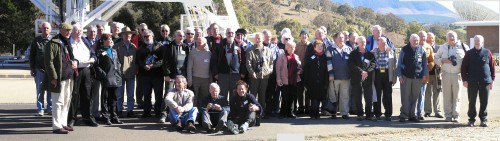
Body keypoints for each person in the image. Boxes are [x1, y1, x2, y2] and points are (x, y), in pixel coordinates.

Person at [44, 23, 77, 134]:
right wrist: (53, 77)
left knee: (66, 101)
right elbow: (49, 62)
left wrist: (75, 62)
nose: (68, 32)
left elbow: (71, 57)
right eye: (66, 30)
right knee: (58, 102)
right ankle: (56, 126)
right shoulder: (52, 43)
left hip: (69, 76)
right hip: (59, 78)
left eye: (70, 30)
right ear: (60, 30)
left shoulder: (67, 42)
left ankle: (63, 123)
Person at [67, 23, 98, 127]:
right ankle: (71, 119)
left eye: (80, 30)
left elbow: (93, 53)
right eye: (76, 30)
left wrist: (93, 59)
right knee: (74, 95)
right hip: (75, 71)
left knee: (87, 95)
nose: (79, 32)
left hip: (86, 70)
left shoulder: (85, 41)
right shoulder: (68, 42)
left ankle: (87, 117)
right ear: (72, 31)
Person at [434, 31, 468, 122]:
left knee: (457, 97)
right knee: (447, 96)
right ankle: (448, 116)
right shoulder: (443, 47)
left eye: (453, 36)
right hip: (446, 74)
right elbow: (436, 58)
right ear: (447, 38)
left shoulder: (464, 47)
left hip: (458, 75)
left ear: (456, 37)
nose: (451, 38)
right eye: (450, 37)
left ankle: (456, 115)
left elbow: (469, 60)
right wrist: (443, 60)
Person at [462, 35, 495, 127]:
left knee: (484, 101)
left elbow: (492, 67)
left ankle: (483, 119)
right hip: (472, 81)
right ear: (474, 42)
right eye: (475, 40)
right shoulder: (469, 53)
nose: (477, 42)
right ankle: (471, 120)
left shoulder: (487, 52)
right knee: (472, 101)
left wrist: (492, 79)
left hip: (485, 81)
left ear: (482, 42)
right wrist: (464, 80)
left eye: (479, 40)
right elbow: (464, 67)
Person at [396, 34, 428, 122]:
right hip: (405, 77)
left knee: (415, 97)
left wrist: (425, 74)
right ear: (409, 40)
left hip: (418, 77)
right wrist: (400, 75)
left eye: (417, 40)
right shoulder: (404, 50)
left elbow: (424, 64)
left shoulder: (422, 49)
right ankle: (403, 114)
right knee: (405, 97)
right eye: (414, 40)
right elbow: (399, 64)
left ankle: (412, 115)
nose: (416, 42)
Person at [94, 33, 124, 125]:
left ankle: (114, 116)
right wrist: (103, 75)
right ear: (103, 42)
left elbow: (118, 63)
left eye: (111, 39)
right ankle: (106, 117)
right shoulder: (100, 52)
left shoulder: (114, 51)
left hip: (116, 78)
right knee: (105, 99)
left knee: (114, 99)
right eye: (108, 40)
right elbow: (97, 65)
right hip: (106, 79)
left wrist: (119, 72)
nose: (110, 41)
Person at [210, 27, 247, 98]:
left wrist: (243, 72)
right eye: (228, 33)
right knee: (222, 96)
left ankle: (233, 109)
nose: (230, 34)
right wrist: (215, 73)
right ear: (226, 34)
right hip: (223, 75)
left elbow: (244, 60)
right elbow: (213, 61)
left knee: (234, 96)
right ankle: (223, 109)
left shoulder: (240, 46)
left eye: (232, 33)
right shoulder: (220, 46)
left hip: (236, 75)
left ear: (235, 34)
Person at [136, 29, 164, 118]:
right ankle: (146, 112)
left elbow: (163, 60)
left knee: (158, 94)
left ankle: (157, 111)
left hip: (157, 74)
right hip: (145, 75)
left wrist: (154, 65)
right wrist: (144, 66)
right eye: (144, 36)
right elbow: (138, 60)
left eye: (148, 35)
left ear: (152, 35)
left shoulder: (160, 46)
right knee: (146, 94)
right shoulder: (140, 48)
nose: (147, 37)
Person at [246, 33, 273, 119]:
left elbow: (271, 64)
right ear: (255, 39)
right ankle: (252, 114)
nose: (258, 40)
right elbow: (248, 64)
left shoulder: (268, 50)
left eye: (260, 38)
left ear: (263, 39)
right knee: (253, 96)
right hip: (254, 77)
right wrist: (252, 72)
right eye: (257, 38)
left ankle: (261, 113)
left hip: (264, 77)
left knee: (262, 96)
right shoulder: (250, 50)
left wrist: (268, 72)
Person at [348, 36, 375, 121]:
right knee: (358, 97)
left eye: (364, 41)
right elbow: (352, 65)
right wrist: (361, 72)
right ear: (357, 43)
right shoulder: (353, 54)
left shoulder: (370, 54)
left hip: (367, 78)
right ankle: (360, 114)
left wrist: (366, 72)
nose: (363, 43)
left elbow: (373, 65)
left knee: (368, 98)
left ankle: (368, 114)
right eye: (361, 41)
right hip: (356, 78)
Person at [327, 32, 353, 119]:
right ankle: (333, 112)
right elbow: (329, 62)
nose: (342, 39)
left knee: (345, 96)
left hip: (346, 77)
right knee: (333, 95)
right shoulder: (330, 49)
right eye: (339, 37)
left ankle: (344, 112)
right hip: (334, 77)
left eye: (343, 37)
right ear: (335, 39)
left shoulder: (349, 49)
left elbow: (351, 63)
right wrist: (331, 74)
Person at [372, 37, 397, 121]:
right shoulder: (373, 52)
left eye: (385, 43)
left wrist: (394, 78)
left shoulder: (391, 52)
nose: (384, 44)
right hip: (377, 74)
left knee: (388, 95)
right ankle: (377, 114)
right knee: (377, 95)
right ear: (378, 43)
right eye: (382, 43)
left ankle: (388, 114)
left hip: (388, 74)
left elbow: (395, 66)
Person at [114, 26, 137, 118]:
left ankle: (130, 110)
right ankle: (119, 111)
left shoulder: (134, 47)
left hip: (131, 73)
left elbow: (136, 60)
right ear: (122, 35)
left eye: (129, 34)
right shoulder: (116, 47)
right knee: (119, 94)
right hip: (120, 74)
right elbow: (114, 60)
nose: (127, 36)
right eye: (125, 34)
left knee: (131, 94)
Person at [30, 21, 52, 116]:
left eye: (47, 28)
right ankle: (40, 109)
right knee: (40, 90)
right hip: (39, 69)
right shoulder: (36, 40)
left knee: (51, 90)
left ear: (50, 30)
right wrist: (32, 68)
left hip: (51, 70)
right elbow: (32, 55)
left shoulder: (54, 40)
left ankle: (50, 108)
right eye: (44, 28)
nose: (45, 29)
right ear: (41, 29)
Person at [303, 40, 328, 119]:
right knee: (314, 98)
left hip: (321, 81)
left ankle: (317, 113)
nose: (320, 48)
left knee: (319, 97)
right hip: (312, 81)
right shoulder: (311, 56)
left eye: (321, 46)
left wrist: (326, 82)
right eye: (318, 46)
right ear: (314, 48)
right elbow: (307, 69)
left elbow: (326, 70)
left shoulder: (324, 57)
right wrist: (306, 82)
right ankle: (313, 113)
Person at [276, 41, 301, 119]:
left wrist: (300, 70)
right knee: (285, 96)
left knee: (292, 97)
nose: (293, 49)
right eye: (291, 47)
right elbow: (278, 68)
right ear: (286, 47)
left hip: (294, 80)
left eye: (294, 47)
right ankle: (283, 113)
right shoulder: (281, 56)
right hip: (284, 80)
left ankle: (290, 112)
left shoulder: (296, 56)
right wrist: (278, 79)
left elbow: (299, 67)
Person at [264, 29, 285, 117]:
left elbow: (279, 59)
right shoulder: (259, 45)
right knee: (263, 94)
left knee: (271, 93)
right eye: (266, 36)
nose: (268, 38)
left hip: (273, 74)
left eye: (269, 36)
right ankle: (262, 110)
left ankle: (270, 111)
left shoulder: (275, 47)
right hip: (262, 75)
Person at [424, 32, 444, 118]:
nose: (430, 39)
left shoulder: (439, 48)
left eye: (431, 38)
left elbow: (442, 58)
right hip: (427, 73)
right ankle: (427, 111)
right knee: (427, 92)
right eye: (428, 38)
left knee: (437, 92)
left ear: (434, 38)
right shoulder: (424, 47)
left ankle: (437, 111)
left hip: (437, 73)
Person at [187, 37, 211, 108]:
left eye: (200, 42)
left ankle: (202, 113)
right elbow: (189, 67)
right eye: (197, 42)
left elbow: (211, 68)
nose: (198, 44)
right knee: (194, 97)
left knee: (204, 97)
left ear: (205, 43)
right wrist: (190, 79)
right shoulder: (192, 52)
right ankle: (193, 114)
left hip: (206, 79)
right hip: (195, 79)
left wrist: (210, 80)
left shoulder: (209, 53)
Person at [416, 31, 435, 120]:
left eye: (424, 36)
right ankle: (410, 112)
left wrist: (428, 67)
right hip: (413, 75)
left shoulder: (428, 47)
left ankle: (420, 113)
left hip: (424, 75)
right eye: (421, 36)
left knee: (422, 95)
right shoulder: (414, 45)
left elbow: (432, 60)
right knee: (411, 95)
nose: (422, 38)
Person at [85, 25, 101, 120]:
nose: (93, 33)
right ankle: (87, 114)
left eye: (94, 31)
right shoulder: (83, 41)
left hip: (97, 71)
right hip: (86, 70)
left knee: (96, 93)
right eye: (91, 31)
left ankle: (95, 113)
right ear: (87, 32)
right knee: (86, 93)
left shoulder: (100, 42)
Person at [294, 29, 310, 116]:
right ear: (300, 36)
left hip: (308, 71)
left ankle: (307, 108)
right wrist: (298, 69)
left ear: (308, 36)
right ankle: (300, 108)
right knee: (300, 90)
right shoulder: (296, 46)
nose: (304, 36)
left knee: (307, 90)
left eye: (305, 35)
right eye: (302, 35)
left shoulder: (311, 46)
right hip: (299, 71)